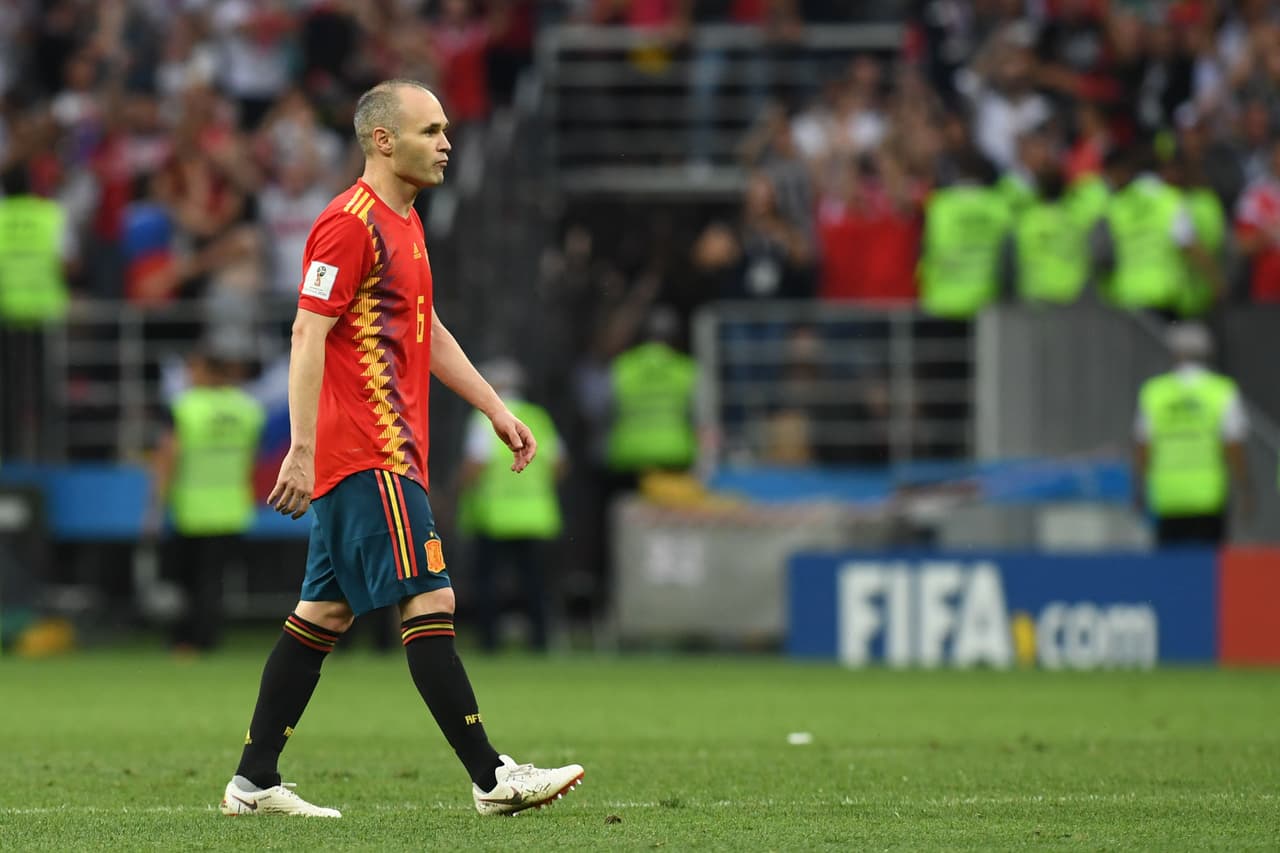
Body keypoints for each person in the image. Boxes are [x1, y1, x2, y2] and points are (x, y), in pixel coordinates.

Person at [218, 80, 583, 819]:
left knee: (322, 614)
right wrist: (301, 447)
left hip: (384, 454)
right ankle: (491, 775)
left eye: (448, 128)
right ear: (384, 140)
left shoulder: (408, 222)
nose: (448, 142)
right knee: (431, 597)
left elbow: (429, 330)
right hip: (367, 452)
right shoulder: (347, 225)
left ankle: (253, 779)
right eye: (432, 129)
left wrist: (494, 408)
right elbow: (306, 331)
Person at [148, 347, 266, 652]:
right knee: (215, 580)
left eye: (194, 369)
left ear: (208, 372)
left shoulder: (186, 407)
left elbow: (167, 456)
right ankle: (209, 639)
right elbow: (253, 457)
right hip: (233, 506)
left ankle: (187, 641)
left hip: (192, 507)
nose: (189, 376)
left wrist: (155, 505)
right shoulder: (247, 409)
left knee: (187, 580)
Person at [458, 359, 566, 653]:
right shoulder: (538, 417)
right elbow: (559, 463)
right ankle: (540, 642)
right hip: (534, 516)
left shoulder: (484, 419)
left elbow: (474, 465)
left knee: (487, 582)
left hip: (494, 516)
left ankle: (489, 642)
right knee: (534, 582)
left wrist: (459, 491)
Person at [1134, 323, 1253, 547]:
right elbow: (1234, 445)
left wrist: (1139, 486)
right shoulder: (1222, 391)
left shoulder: (1154, 392)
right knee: (1209, 573)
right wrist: (1244, 487)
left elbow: (1143, 446)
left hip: (1167, 497)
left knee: (1171, 572)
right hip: (1208, 497)